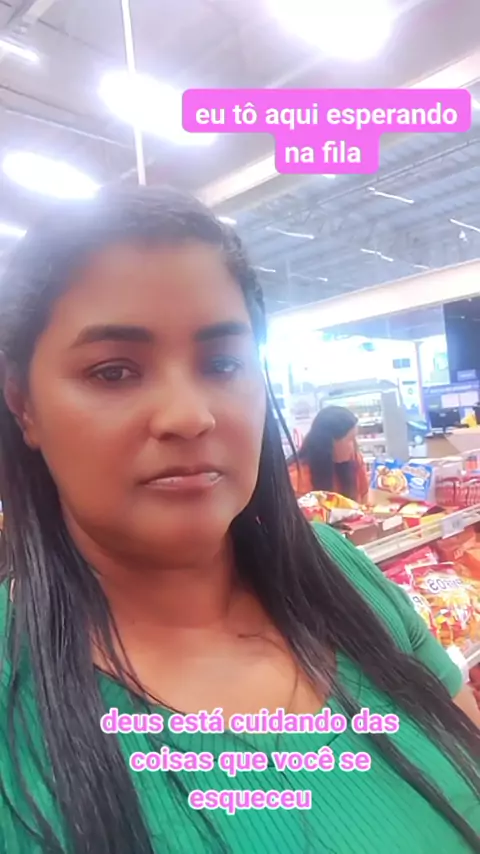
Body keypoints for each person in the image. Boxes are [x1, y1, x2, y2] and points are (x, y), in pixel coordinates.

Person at [0, 187, 478, 854]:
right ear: (23, 403)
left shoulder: (338, 571)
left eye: (223, 363)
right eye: (113, 372)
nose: (189, 416)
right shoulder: (16, 688)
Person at [289, 406, 369, 503]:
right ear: (329, 442)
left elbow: (364, 501)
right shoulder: (298, 477)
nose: (356, 445)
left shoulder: (354, 460)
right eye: (350, 439)